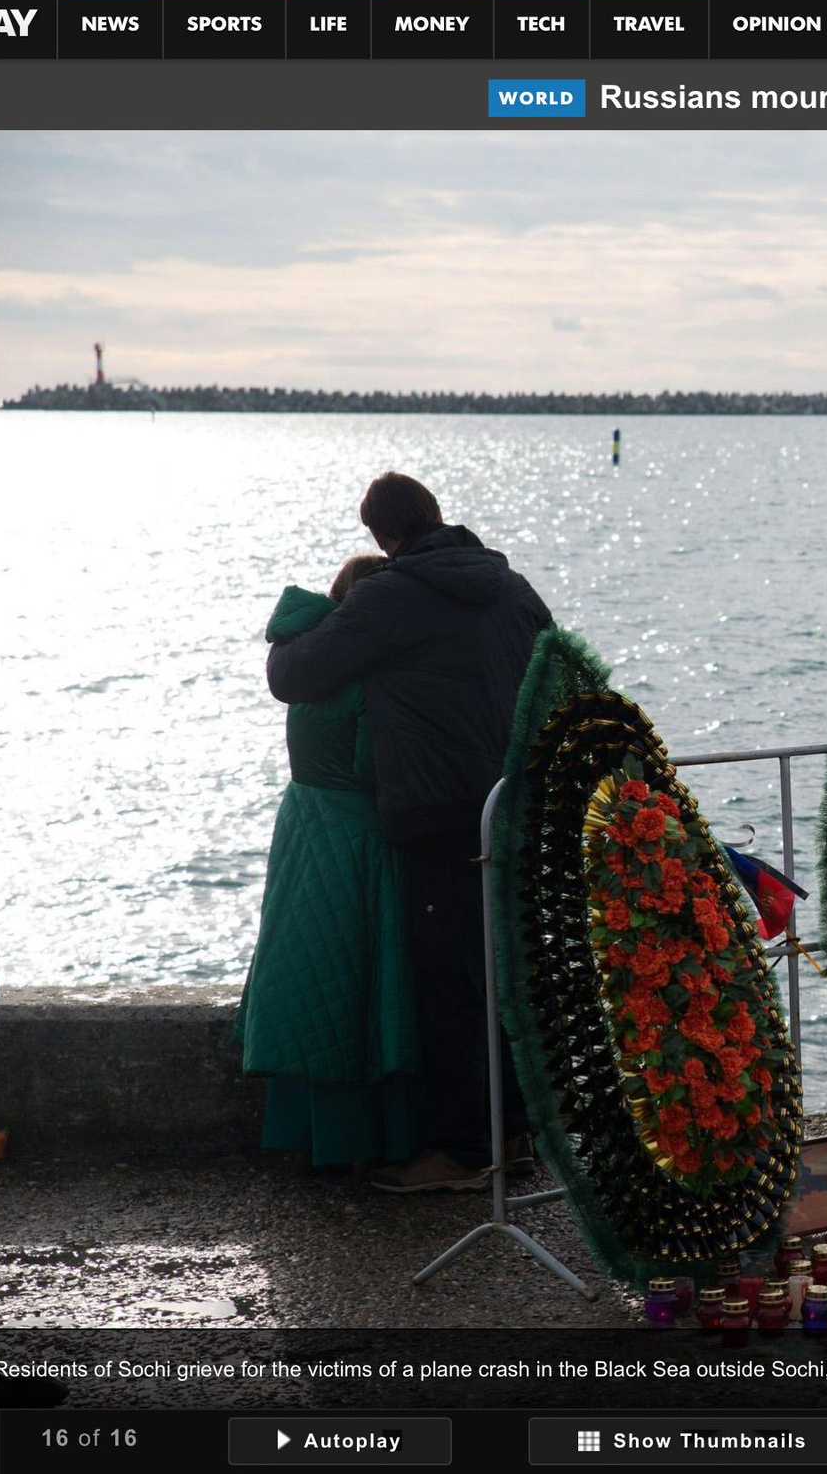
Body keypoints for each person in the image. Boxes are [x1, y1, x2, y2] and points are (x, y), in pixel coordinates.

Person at [268, 472, 555, 1193]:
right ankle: (514, 1133)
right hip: (511, 805)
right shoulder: (512, 587)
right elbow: (556, 672)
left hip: (436, 815)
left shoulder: (390, 594)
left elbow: (296, 675)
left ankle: (461, 1153)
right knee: (499, 973)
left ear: (379, 536)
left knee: (448, 985)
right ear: (435, 514)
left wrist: (293, 619)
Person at [238, 555, 423, 1168]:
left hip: (302, 826)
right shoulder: (365, 679)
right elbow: (378, 769)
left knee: (311, 971)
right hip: (357, 838)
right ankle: (380, 1137)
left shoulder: (304, 662)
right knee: (362, 982)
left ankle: (307, 1132)